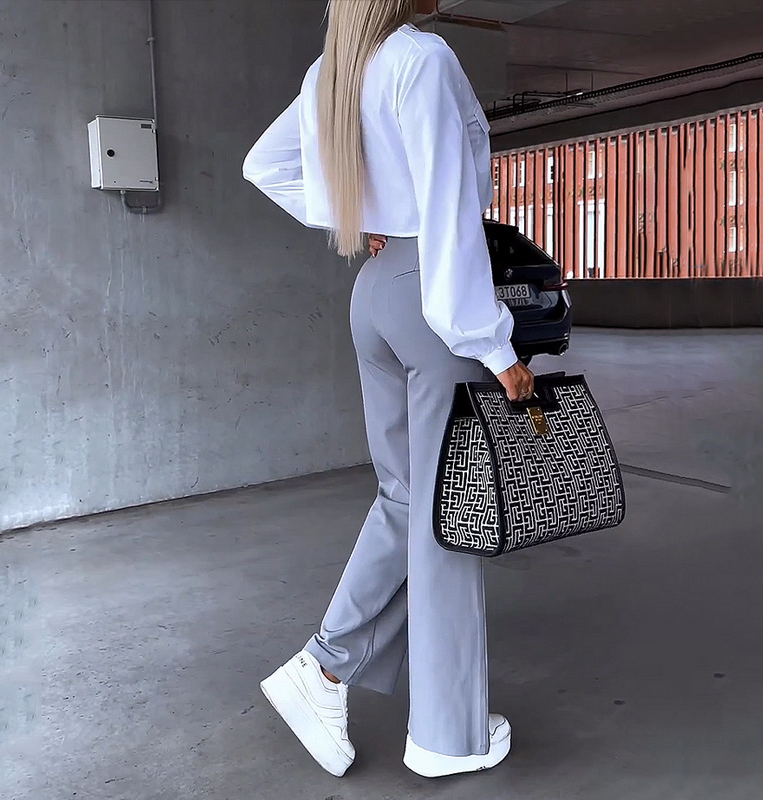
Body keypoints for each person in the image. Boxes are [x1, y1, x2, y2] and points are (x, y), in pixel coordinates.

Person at [242, 0, 535, 779]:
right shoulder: (421, 59)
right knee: (450, 515)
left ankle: (324, 668)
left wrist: (354, 214)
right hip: (431, 297)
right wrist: (494, 346)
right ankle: (446, 736)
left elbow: (264, 165)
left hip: (374, 291)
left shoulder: (331, 72)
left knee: (409, 500)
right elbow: (449, 214)